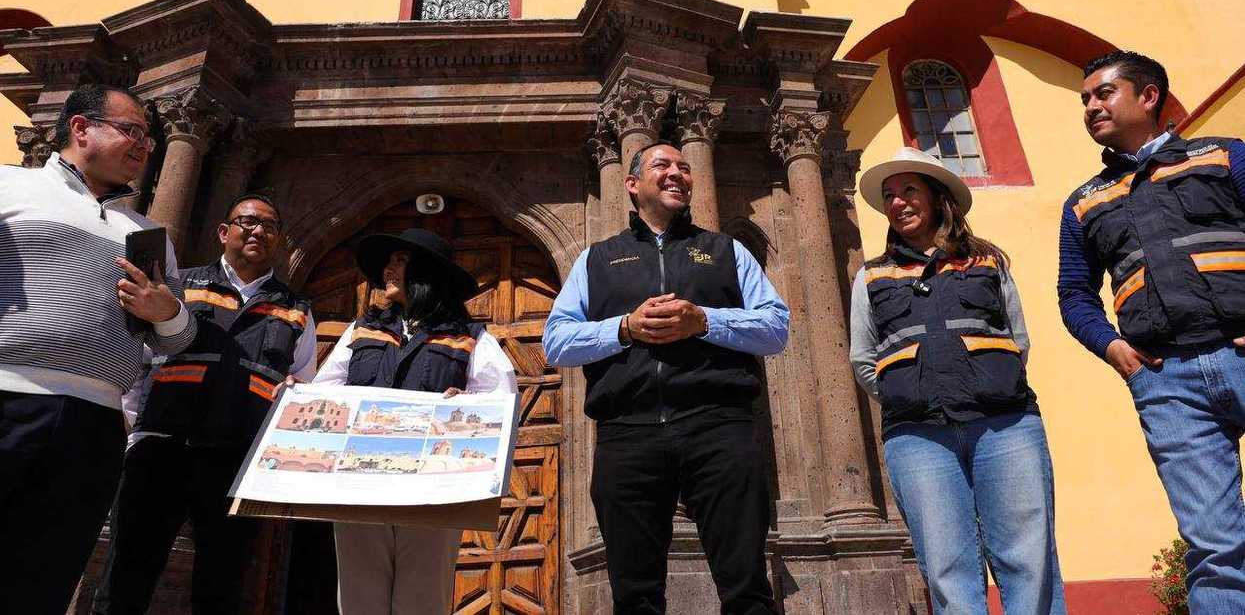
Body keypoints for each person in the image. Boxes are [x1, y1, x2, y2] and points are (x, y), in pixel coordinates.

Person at [543, 140, 789, 615]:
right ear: (632, 185)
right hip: (627, 434)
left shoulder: (725, 251)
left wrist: (706, 322)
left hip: (719, 427)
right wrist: (624, 328)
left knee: (747, 587)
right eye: (663, 165)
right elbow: (556, 341)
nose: (677, 173)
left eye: (684, 166)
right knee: (634, 595)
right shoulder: (595, 259)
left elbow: (776, 327)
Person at [1058, 50, 1245, 612]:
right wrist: (1115, 349)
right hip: (1168, 384)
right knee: (1215, 549)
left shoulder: (1224, 156)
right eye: (1085, 99)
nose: (1091, 106)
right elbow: (1074, 295)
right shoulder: (1084, 203)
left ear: (1148, 96)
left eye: (1103, 93)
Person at [0, 83, 198, 614]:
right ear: (81, 127)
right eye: (131, 130)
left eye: (151, 140)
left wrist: (167, 312)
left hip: (96, 425)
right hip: (9, 400)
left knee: (45, 577)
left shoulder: (150, 233)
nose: (144, 146)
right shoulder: (9, 188)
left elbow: (177, 340)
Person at [850, 147, 1065, 614]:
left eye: (909, 190)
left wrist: (989, 380)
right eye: (889, 195)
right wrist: (905, 394)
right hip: (917, 436)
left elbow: (1017, 337)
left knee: (1028, 560)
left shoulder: (987, 261)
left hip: (1006, 426)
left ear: (937, 197)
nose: (898, 202)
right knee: (947, 568)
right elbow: (864, 360)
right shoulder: (871, 276)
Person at [91, 193, 317, 615]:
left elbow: (301, 383)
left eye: (270, 226)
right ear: (223, 231)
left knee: (223, 584)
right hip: (162, 448)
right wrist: (131, 432)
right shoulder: (182, 286)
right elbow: (135, 358)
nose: (259, 231)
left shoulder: (296, 310)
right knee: (126, 575)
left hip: (236, 461)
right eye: (248, 221)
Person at [311, 227, 516, 615]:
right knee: (359, 598)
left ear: (427, 273)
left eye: (400, 261)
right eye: (388, 261)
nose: (388, 269)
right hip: (359, 485)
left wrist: (467, 406)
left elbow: (501, 400)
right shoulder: (362, 331)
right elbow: (326, 391)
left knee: (422, 599)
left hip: (432, 491)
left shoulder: (468, 337)